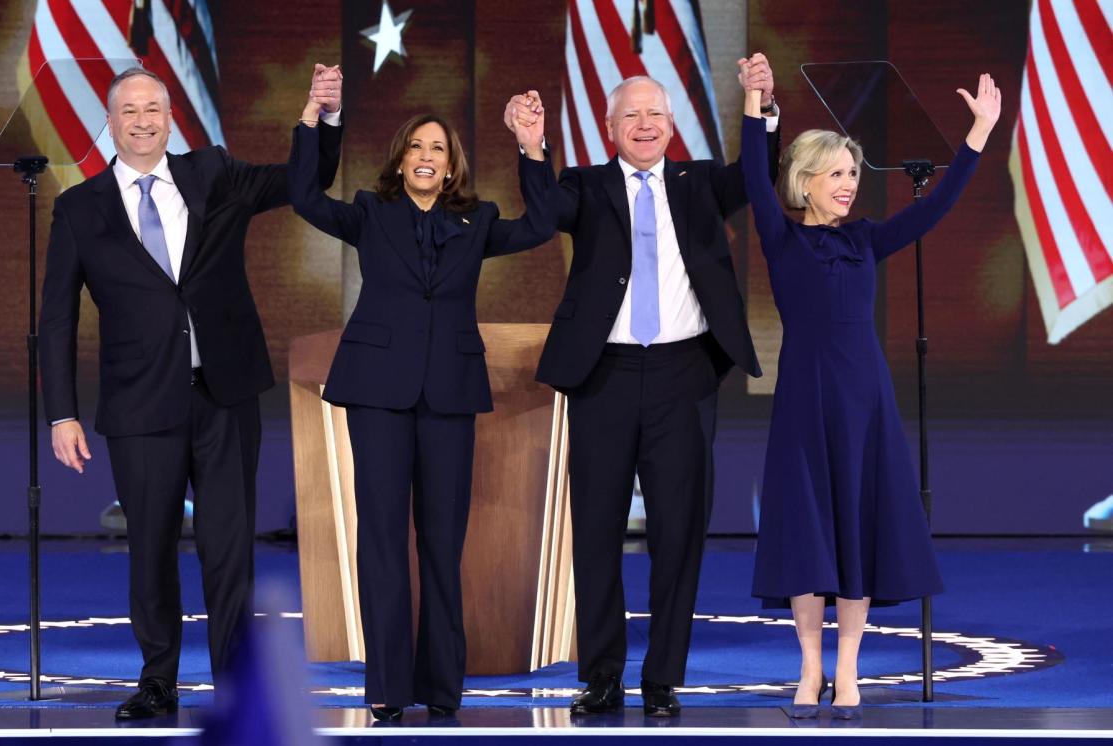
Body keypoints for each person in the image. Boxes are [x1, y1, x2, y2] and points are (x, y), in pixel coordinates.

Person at [39, 64, 344, 719]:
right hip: (140, 402)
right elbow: (57, 319)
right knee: (150, 547)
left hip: (225, 392)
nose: (144, 121)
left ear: (170, 115)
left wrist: (319, 119)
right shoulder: (79, 208)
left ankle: (236, 680)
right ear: (111, 120)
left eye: (155, 108)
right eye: (130, 111)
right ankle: (158, 681)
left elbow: (303, 180)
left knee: (228, 547)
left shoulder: (213, 174)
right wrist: (60, 414)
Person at [505, 56, 779, 717]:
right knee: (595, 530)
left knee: (679, 533)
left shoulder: (699, 185)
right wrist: (532, 147)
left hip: (683, 375)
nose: (647, 124)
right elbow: (542, 214)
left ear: (673, 123)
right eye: (632, 114)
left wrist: (758, 104)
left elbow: (757, 176)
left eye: (657, 113)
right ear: (609, 128)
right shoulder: (585, 186)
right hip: (603, 375)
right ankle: (601, 675)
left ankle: (662, 679)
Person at [740, 71, 1001, 719]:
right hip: (803, 401)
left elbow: (932, 210)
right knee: (807, 536)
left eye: (852, 173)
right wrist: (753, 107)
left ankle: (849, 672)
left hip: (864, 403)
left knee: (856, 532)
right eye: (835, 173)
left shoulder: (865, 239)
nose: (849, 184)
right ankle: (808, 671)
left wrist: (976, 139)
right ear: (803, 182)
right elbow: (751, 173)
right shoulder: (782, 236)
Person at [289, 87, 556, 721]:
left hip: (449, 395)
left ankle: (441, 686)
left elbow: (544, 224)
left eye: (438, 147)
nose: (427, 155)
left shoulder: (478, 219)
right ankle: (386, 685)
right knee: (382, 540)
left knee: (443, 541)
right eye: (416, 146)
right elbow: (302, 197)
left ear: (453, 161)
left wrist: (530, 145)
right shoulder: (367, 211)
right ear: (400, 158)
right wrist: (313, 120)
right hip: (377, 393)